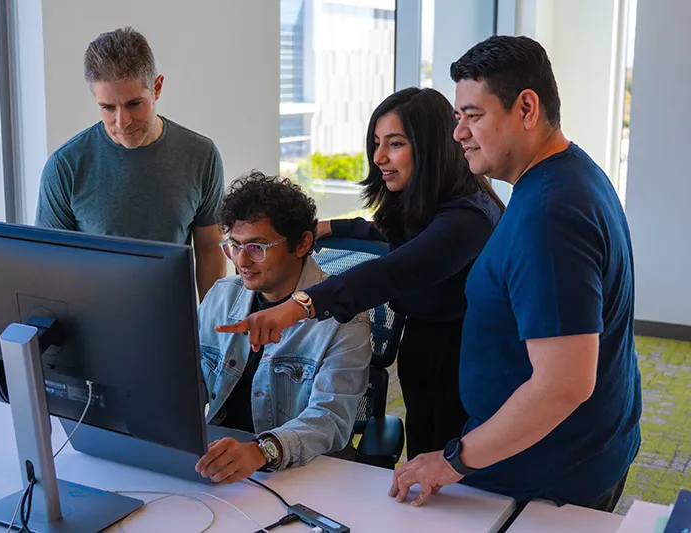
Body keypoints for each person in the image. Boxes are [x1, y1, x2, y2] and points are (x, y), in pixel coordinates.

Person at [388, 36, 642, 515]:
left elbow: (563, 384)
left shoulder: (550, 214)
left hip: (547, 478)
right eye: (457, 118)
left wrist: (451, 462)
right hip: (573, 452)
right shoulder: (568, 174)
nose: (458, 133)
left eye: (473, 116)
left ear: (527, 107)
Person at [215, 87, 504, 460]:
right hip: (427, 355)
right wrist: (330, 227)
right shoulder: (426, 205)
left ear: (431, 148)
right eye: (376, 143)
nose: (379, 156)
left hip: (466, 366)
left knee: (456, 486)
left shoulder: (467, 219)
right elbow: (386, 233)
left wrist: (295, 307)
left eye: (395, 143)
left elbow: (391, 272)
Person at [194, 172, 371, 484]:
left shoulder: (345, 319)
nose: (242, 261)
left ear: (302, 243)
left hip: (304, 472)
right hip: (222, 463)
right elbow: (186, 378)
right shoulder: (222, 296)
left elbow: (329, 419)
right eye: (234, 245)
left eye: (257, 247)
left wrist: (262, 451)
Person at [35, 27, 226, 299]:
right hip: (93, 324)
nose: (122, 122)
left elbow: (209, 247)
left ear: (157, 88)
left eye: (134, 104)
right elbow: (49, 265)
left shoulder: (201, 155)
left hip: (171, 323)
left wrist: (209, 331)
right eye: (108, 108)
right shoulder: (65, 166)